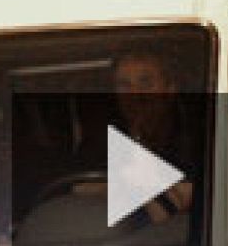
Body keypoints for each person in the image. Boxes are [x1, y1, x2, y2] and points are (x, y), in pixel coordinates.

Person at [84, 50, 202, 226]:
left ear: (170, 89)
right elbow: (76, 187)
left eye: (146, 84)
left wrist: (121, 185)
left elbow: (178, 205)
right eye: (124, 85)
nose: (135, 95)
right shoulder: (101, 140)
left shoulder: (198, 139)